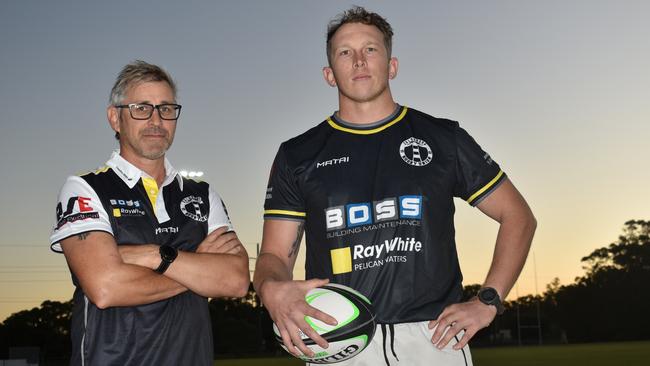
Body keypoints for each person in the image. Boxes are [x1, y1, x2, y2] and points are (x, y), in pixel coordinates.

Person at [253, 7, 536, 366]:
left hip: (434, 339)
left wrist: (488, 301)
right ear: (329, 74)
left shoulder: (443, 138)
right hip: (337, 342)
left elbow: (518, 216)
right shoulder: (298, 155)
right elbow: (275, 256)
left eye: (370, 49)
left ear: (392, 65)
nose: (358, 61)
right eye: (345, 52)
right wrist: (271, 290)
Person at [50, 60, 250, 366]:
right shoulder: (84, 189)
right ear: (115, 118)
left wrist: (156, 256)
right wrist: (197, 265)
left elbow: (235, 280)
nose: (157, 119)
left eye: (166, 109)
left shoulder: (201, 194)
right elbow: (105, 288)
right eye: (142, 108)